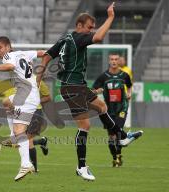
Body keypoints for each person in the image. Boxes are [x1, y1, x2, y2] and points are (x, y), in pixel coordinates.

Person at [37, 2, 143, 181]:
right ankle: (81, 166)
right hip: (72, 88)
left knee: (102, 107)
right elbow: (99, 38)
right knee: (85, 126)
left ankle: (122, 137)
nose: (91, 30)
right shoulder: (79, 37)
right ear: (79, 26)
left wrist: (38, 77)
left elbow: (47, 55)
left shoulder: (65, 39)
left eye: (92, 27)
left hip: (78, 85)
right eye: (89, 27)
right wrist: (110, 17)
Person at [0, 36, 45, 181]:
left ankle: (25, 164)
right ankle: (12, 137)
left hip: (27, 96)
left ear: (8, 47)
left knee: (20, 132)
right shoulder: (23, 53)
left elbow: (10, 66)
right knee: (6, 102)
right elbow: (42, 53)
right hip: (26, 94)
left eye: (0, 47)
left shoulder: (8, 56)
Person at [93, 53, 133, 167]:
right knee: (111, 137)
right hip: (108, 110)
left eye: (116, 59)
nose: (114, 61)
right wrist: (98, 91)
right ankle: (115, 157)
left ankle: (119, 155)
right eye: (112, 59)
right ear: (109, 61)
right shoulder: (103, 76)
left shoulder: (124, 75)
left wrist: (129, 94)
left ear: (119, 61)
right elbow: (93, 89)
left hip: (122, 107)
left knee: (118, 130)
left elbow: (129, 85)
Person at [3, 80, 51, 172]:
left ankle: (34, 169)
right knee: (22, 140)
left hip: (35, 113)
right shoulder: (17, 81)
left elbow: (48, 97)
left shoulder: (38, 81)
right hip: (21, 112)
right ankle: (42, 141)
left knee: (28, 141)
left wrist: (35, 101)